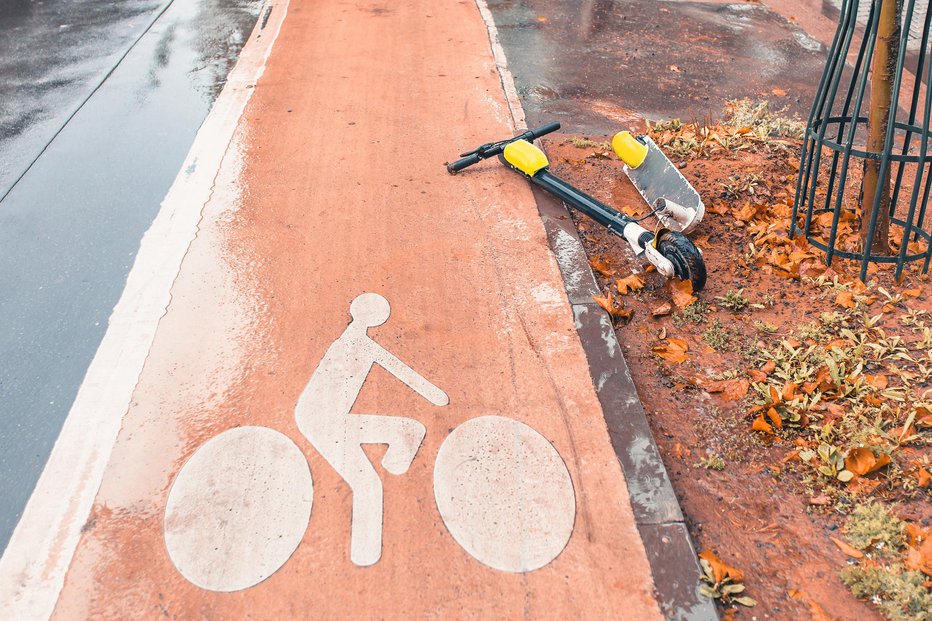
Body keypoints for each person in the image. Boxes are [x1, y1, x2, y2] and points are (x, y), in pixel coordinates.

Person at [294, 292, 448, 566]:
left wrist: (436, 395)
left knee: (408, 431)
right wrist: (437, 396)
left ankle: (395, 466)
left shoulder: (351, 342)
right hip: (323, 421)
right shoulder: (358, 345)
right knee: (368, 484)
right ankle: (365, 558)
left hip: (326, 418)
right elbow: (402, 372)